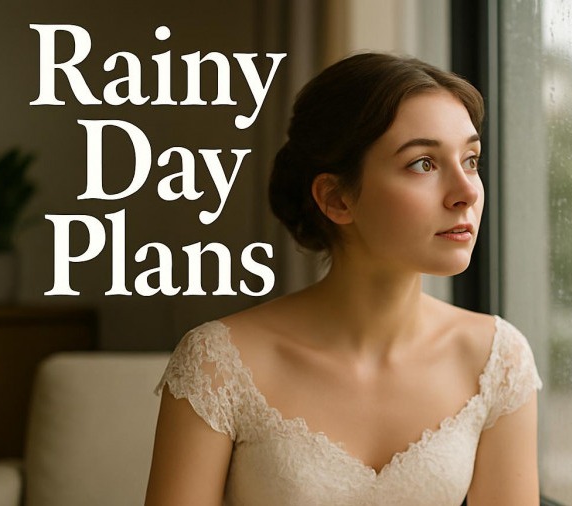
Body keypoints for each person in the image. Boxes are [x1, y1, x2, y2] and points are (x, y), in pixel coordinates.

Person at [144, 52, 542, 506]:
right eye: (423, 164)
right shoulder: (217, 364)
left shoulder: (496, 359)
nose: (467, 192)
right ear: (336, 199)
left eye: (470, 160)